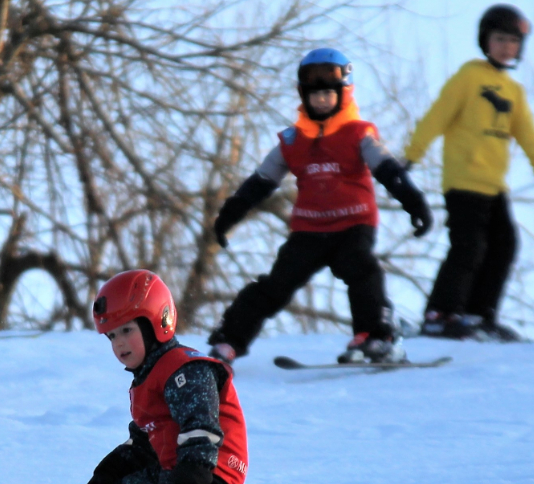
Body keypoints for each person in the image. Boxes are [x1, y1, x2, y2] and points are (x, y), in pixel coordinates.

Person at [205, 48, 433, 365]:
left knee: (362, 270)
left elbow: (387, 170)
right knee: (275, 285)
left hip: (353, 225)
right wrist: (229, 215)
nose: (322, 100)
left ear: (344, 93)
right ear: (304, 96)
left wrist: (415, 203)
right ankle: (228, 342)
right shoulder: (292, 141)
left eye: (329, 93)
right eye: (315, 95)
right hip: (309, 231)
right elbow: (260, 182)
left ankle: (376, 336)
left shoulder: (358, 134)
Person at [401, 5, 534, 341]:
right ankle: (441, 314)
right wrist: (408, 158)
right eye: (500, 39)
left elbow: (529, 137)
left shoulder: (514, 92)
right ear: (485, 41)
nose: (507, 46)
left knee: (504, 246)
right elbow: (436, 117)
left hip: (494, 187)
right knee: (468, 248)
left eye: (513, 41)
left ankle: (479, 315)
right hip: (464, 182)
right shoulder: (469, 77)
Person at [88, 270, 248, 484]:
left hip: (208, 474)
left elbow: (201, 428)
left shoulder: (185, 370)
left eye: (127, 330)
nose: (118, 343)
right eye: (112, 336)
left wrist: (194, 473)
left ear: (156, 322)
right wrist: (111, 470)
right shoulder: (148, 378)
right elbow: (146, 445)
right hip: (172, 471)